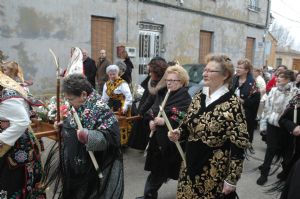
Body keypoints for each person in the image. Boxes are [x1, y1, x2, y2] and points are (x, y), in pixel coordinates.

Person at [168, 54, 250, 198]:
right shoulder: (199, 96)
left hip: (213, 170)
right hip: (190, 164)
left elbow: (239, 144)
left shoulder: (233, 104)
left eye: (210, 71)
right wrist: (179, 132)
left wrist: (232, 179)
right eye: (205, 70)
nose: (204, 73)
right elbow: (187, 124)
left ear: (225, 75)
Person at [53, 74, 124, 199]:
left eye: (70, 99)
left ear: (84, 95)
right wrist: (64, 126)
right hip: (80, 164)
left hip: (98, 165)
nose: (68, 102)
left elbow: (114, 138)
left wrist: (89, 136)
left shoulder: (101, 108)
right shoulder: (79, 104)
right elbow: (74, 121)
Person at [136, 65, 192, 199]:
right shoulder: (162, 94)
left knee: (161, 170)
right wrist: (150, 121)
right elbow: (152, 111)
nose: (169, 83)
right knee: (157, 170)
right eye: (168, 80)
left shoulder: (185, 98)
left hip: (170, 142)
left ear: (182, 81)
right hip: (157, 140)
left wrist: (165, 123)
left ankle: (149, 195)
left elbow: (184, 118)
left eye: (174, 80)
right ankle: (149, 194)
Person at [0, 72, 46, 198]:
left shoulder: (9, 97)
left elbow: (22, 122)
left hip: (16, 149)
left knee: (14, 188)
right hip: (11, 146)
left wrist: (1, 139)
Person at [257, 70, 298, 185]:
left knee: (287, 152)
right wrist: (264, 124)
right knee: (270, 150)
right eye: (277, 76)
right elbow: (267, 108)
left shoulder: (295, 92)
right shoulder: (273, 90)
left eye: (281, 77)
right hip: (272, 125)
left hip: (286, 127)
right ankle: (264, 174)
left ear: (289, 79)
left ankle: (286, 173)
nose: (277, 79)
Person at [128, 57, 168, 150]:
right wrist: (141, 112)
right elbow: (150, 98)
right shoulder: (152, 81)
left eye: (151, 72)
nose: (149, 74)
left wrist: (146, 113)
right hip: (151, 113)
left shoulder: (164, 85)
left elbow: (155, 101)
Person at [231, 59, 260, 147]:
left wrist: (243, 101)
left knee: (240, 141)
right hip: (231, 114)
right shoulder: (233, 79)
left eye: (240, 68)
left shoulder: (253, 84)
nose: (238, 69)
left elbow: (255, 102)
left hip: (245, 117)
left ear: (246, 70)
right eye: (237, 67)